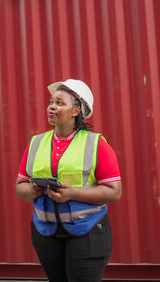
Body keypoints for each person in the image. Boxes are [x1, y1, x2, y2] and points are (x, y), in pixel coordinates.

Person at [15, 79, 122, 282]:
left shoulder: (96, 144)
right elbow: (20, 186)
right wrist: (32, 190)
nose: (52, 106)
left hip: (87, 231)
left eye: (60, 103)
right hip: (46, 233)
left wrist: (72, 194)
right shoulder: (36, 143)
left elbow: (114, 192)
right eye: (51, 102)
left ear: (76, 111)